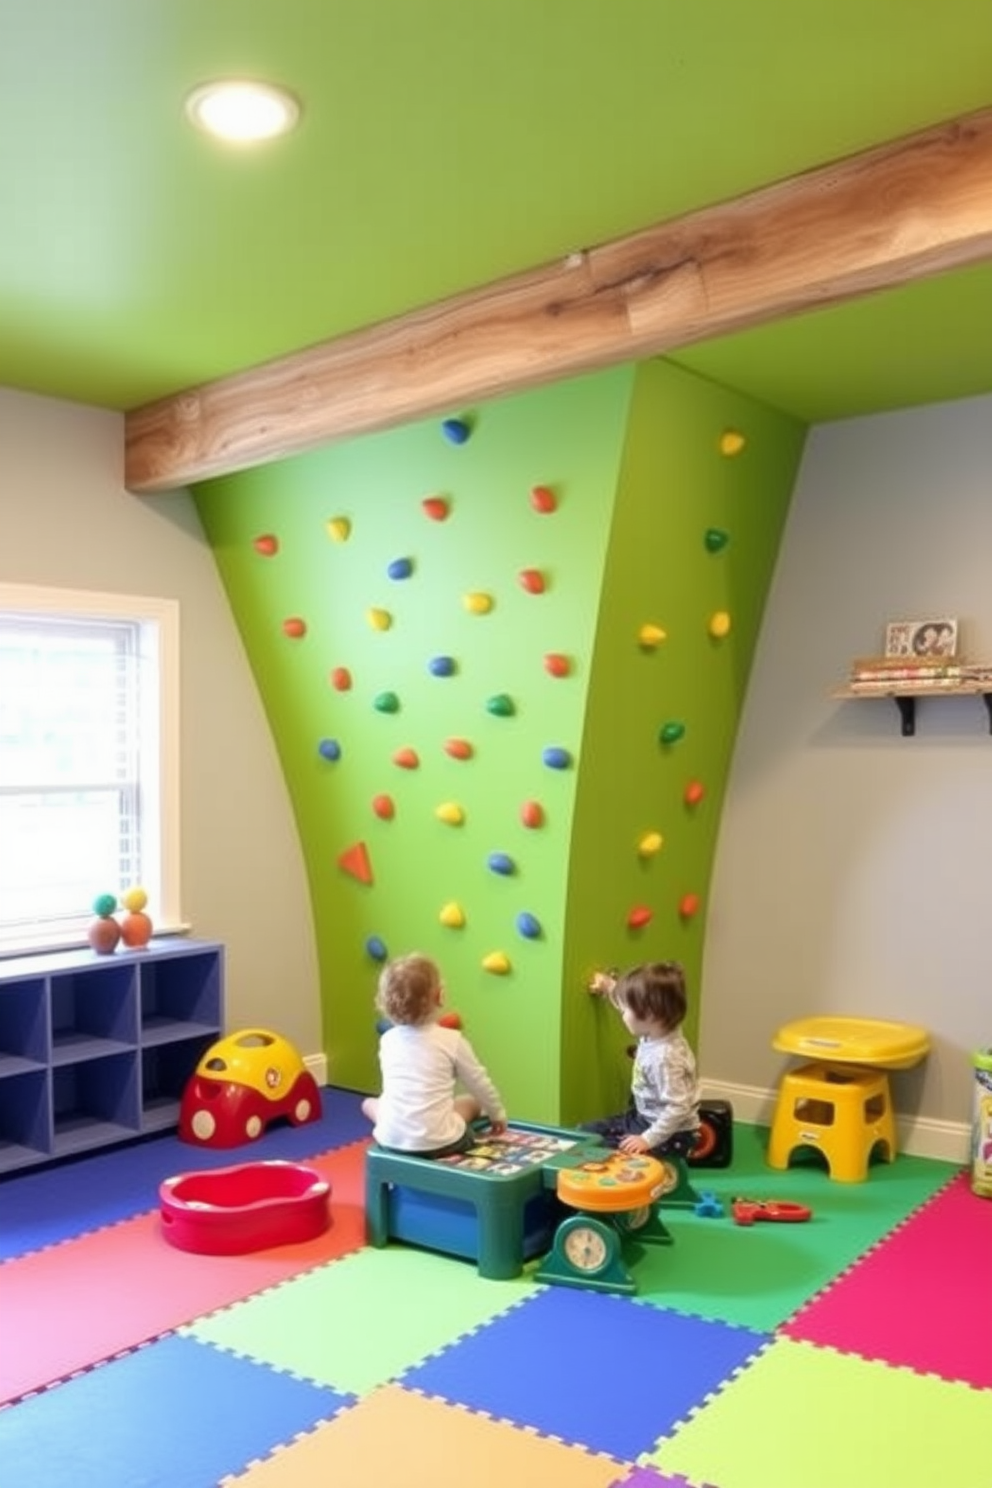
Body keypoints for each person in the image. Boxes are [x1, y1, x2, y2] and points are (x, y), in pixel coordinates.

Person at [362, 952, 507, 1157]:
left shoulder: (387, 1040)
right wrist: (497, 1115)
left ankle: (398, 1129)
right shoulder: (452, 1040)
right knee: (472, 1101)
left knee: (369, 1104)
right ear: (440, 996)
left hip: (390, 1140)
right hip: (442, 1143)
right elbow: (479, 1083)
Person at [584, 961, 700, 1159]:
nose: (622, 1015)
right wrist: (610, 986)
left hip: (670, 1134)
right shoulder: (661, 1026)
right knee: (585, 1133)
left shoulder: (665, 1058)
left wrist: (648, 1139)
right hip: (643, 1116)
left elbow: (679, 1107)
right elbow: (628, 1000)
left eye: (625, 1011)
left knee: (607, 1153)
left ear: (650, 1014)